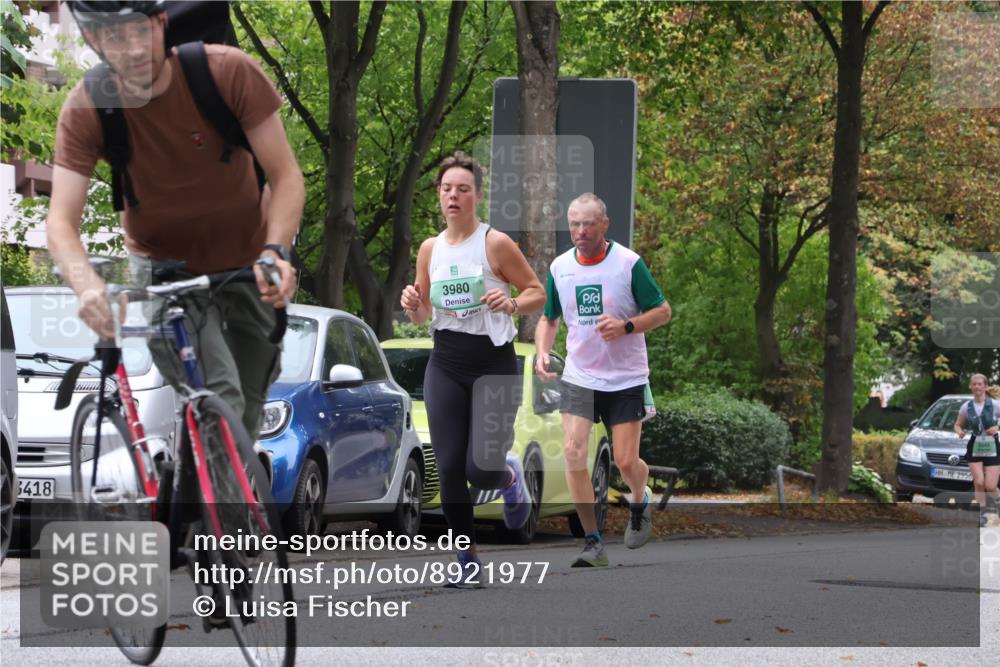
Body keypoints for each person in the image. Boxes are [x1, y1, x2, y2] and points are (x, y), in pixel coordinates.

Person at [48, 1, 303, 440]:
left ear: (161, 22)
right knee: (220, 398)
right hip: (165, 271)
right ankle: (219, 479)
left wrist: (276, 250)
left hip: (250, 260)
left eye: (140, 31)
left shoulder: (226, 72)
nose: (132, 49)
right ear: (93, 40)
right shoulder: (89, 106)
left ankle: (208, 476)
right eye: (115, 37)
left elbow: (286, 177)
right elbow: (60, 222)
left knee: (250, 403)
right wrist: (86, 285)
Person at [400, 151, 545, 586]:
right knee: (448, 468)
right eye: (447, 189)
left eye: (463, 189)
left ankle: (509, 476)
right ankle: (467, 559)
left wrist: (513, 303)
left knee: (479, 469)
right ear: (438, 195)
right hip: (445, 362)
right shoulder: (430, 249)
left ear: (477, 196)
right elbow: (422, 315)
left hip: (493, 365)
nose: (453, 196)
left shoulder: (494, 244)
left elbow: (537, 291)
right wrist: (412, 303)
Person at [535, 193, 671, 566]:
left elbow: (662, 311)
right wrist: (543, 351)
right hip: (580, 376)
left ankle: (639, 499)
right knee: (573, 451)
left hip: (626, 377)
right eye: (574, 224)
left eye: (588, 224)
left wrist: (627, 326)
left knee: (626, 462)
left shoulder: (628, 264)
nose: (580, 231)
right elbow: (549, 318)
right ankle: (592, 541)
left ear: (604, 225)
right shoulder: (560, 267)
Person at [954, 374, 1000, 527]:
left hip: (992, 445)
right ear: (971, 387)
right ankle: (983, 514)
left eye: (980, 384)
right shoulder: (966, 407)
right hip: (975, 445)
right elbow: (957, 424)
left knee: (991, 486)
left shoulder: (995, 405)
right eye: (974, 384)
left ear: (985, 387)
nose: (977, 387)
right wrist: (960, 431)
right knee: (979, 483)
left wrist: (997, 427)